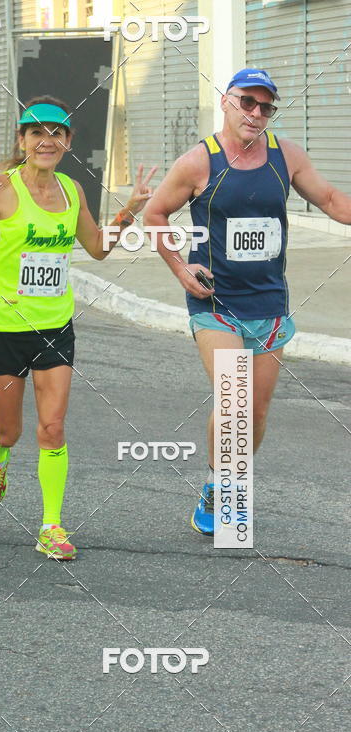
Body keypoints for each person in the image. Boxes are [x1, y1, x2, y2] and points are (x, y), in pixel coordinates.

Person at [0, 97, 155, 559]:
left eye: (56, 133)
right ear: (22, 140)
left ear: (67, 142)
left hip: (55, 326)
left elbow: (97, 249)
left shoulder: (72, 191)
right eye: (36, 132)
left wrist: (129, 211)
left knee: (53, 428)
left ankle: (51, 526)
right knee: (10, 432)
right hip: (3, 327)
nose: (46, 140)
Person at [144, 67, 351, 536]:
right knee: (234, 396)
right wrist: (180, 267)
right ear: (226, 101)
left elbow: (335, 200)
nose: (256, 114)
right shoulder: (199, 162)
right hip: (215, 301)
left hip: (270, 305)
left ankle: (225, 481)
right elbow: (155, 213)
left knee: (255, 412)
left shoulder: (286, 156)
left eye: (265, 107)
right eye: (247, 103)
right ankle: (225, 491)